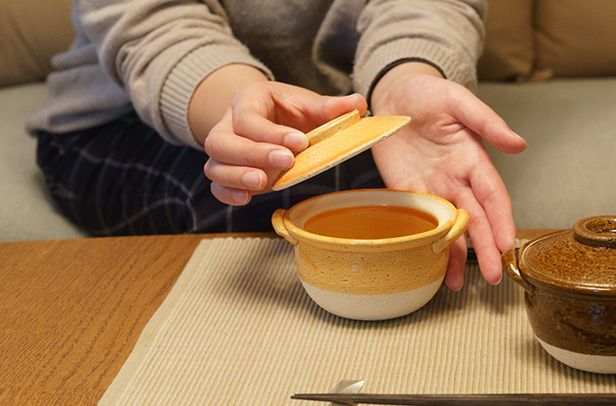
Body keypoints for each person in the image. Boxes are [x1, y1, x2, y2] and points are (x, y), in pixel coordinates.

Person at [26, 0, 526, 291]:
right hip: (126, 117)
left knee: (411, 222)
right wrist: (234, 109)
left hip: (349, 113)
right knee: (259, 206)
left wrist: (404, 80)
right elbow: (150, 21)